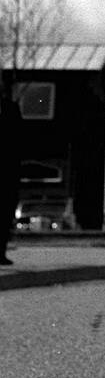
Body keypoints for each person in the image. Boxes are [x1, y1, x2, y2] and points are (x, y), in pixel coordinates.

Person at [0, 78, 22, 265]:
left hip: (8, 170)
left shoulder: (11, 109)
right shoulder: (11, 109)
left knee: (5, 213)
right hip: (8, 169)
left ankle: (1, 251)